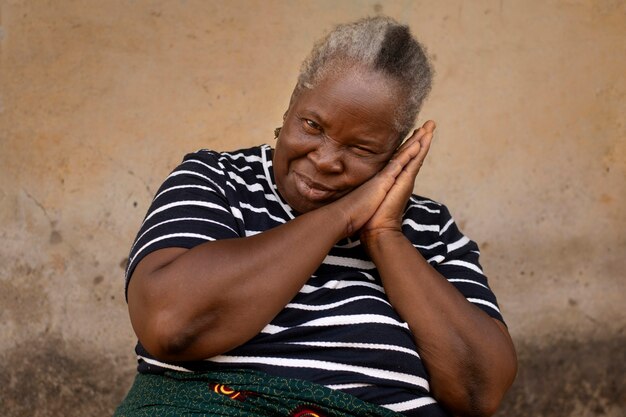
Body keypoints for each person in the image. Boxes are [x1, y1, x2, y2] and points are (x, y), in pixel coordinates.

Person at [115, 16, 517, 417]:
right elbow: (169, 324)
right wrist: (341, 216)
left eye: (361, 149)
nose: (325, 160)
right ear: (291, 106)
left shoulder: (430, 230)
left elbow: (480, 393)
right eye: (312, 125)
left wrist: (384, 235)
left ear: (396, 151)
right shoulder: (217, 181)